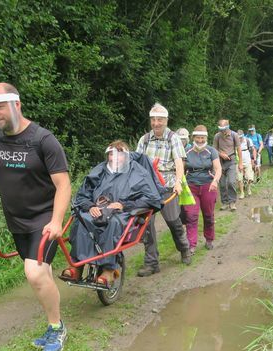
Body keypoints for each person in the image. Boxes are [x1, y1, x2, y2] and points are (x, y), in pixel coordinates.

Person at [0, 82, 72, 351]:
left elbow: (63, 184)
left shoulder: (42, 140)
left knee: (34, 272)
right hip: (17, 220)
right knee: (42, 273)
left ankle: (57, 327)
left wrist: (57, 220)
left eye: (0, 106)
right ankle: (52, 323)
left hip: (44, 219)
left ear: (17, 105)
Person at [65, 141, 162, 283]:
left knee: (112, 223)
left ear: (127, 156)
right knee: (81, 220)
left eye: (119, 155)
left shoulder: (138, 172)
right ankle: (77, 267)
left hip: (123, 213)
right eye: (111, 154)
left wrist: (124, 205)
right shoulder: (100, 170)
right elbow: (83, 194)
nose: (114, 158)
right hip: (98, 209)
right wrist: (90, 206)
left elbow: (152, 198)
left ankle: (108, 270)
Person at [136, 103, 192, 276]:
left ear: (166, 120)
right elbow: (136, 164)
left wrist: (178, 182)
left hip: (167, 185)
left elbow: (179, 162)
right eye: (153, 119)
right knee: (146, 225)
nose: (156, 123)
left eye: (159, 119)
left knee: (173, 221)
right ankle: (152, 262)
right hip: (148, 188)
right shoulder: (144, 139)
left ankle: (184, 248)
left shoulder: (173, 138)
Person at [183, 125, 221, 253]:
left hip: (208, 186)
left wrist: (215, 181)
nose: (200, 140)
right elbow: (180, 169)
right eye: (198, 137)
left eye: (203, 138)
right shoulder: (186, 151)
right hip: (191, 186)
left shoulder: (211, 151)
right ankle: (191, 245)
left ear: (206, 138)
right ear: (193, 137)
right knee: (191, 216)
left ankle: (209, 239)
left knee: (208, 215)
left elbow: (218, 168)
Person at [213, 119, 242, 211]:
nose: (222, 131)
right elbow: (214, 150)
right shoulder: (217, 136)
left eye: (224, 129)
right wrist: (221, 154)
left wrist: (240, 163)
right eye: (221, 129)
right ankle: (225, 202)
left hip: (232, 160)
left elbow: (239, 149)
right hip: (220, 161)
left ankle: (232, 202)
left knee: (231, 182)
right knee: (222, 184)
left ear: (228, 127)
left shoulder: (234, 135)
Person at [236, 130, 255, 199]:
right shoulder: (235, 142)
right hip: (238, 162)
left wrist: (253, 159)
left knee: (250, 177)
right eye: (238, 138)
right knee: (239, 178)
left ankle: (248, 188)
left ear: (243, 136)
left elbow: (253, 150)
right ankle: (242, 192)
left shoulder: (248, 140)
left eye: (241, 137)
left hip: (248, 161)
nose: (240, 139)